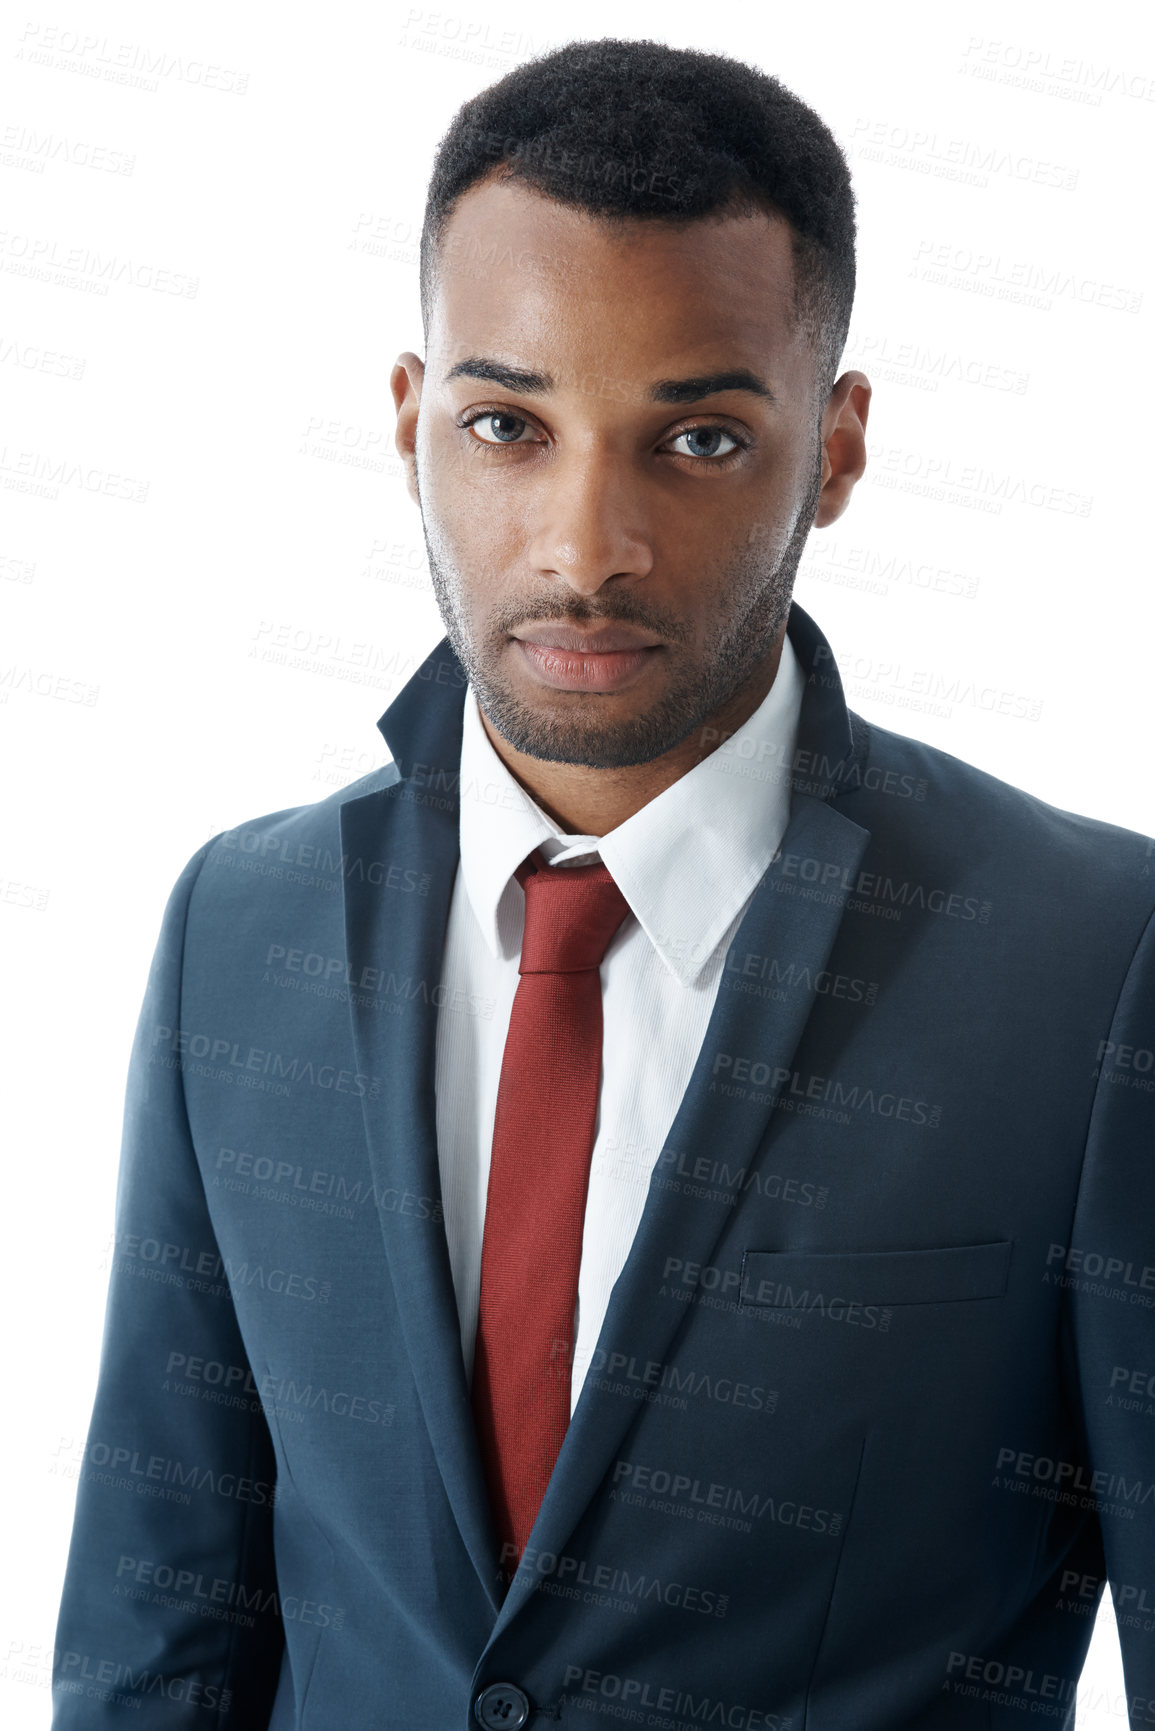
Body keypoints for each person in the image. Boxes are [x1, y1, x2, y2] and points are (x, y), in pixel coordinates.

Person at [51, 36, 1155, 1731]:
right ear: (415, 422)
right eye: (509, 424)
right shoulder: (241, 930)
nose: (584, 547)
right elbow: (158, 1637)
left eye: (695, 441)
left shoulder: (1092, 964)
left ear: (837, 450)